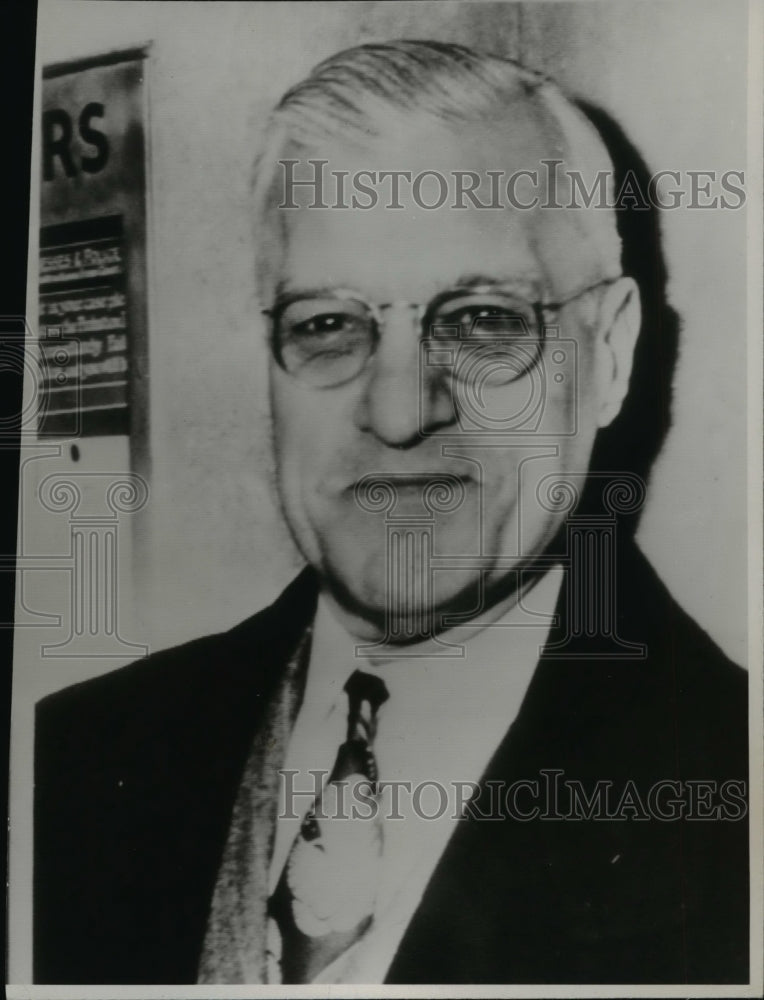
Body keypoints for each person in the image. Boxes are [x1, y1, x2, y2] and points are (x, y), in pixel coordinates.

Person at [34, 41, 748, 985]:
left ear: (609, 354)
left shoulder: (731, 807)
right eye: (328, 325)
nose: (402, 412)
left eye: (484, 319)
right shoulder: (69, 764)